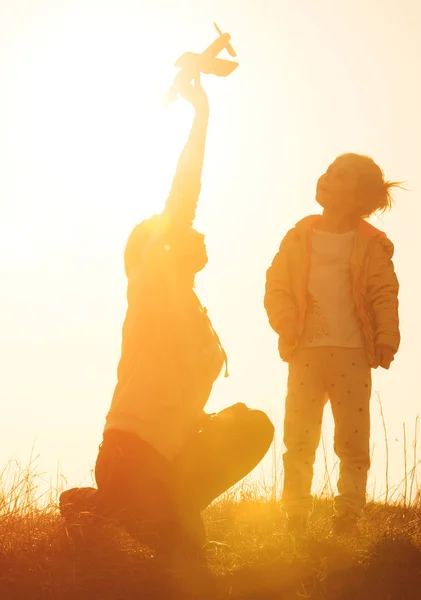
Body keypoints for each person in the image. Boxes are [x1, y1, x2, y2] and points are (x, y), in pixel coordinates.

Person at [60, 73, 274, 557]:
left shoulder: (192, 313)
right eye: (179, 232)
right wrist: (201, 116)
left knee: (252, 424)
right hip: (131, 455)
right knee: (185, 561)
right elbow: (183, 196)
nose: (197, 234)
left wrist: (205, 421)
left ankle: (119, 508)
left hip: (164, 458)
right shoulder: (154, 286)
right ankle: (115, 507)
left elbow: (176, 395)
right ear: (159, 248)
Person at [264, 153, 400, 536]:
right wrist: (285, 321)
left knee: (353, 439)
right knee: (299, 437)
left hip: (353, 353)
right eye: (329, 170)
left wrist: (388, 335)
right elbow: (276, 285)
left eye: (340, 177)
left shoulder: (371, 244)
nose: (326, 177)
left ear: (359, 200)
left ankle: (348, 515)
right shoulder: (298, 236)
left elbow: (383, 292)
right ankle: (295, 513)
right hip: (305, 350)